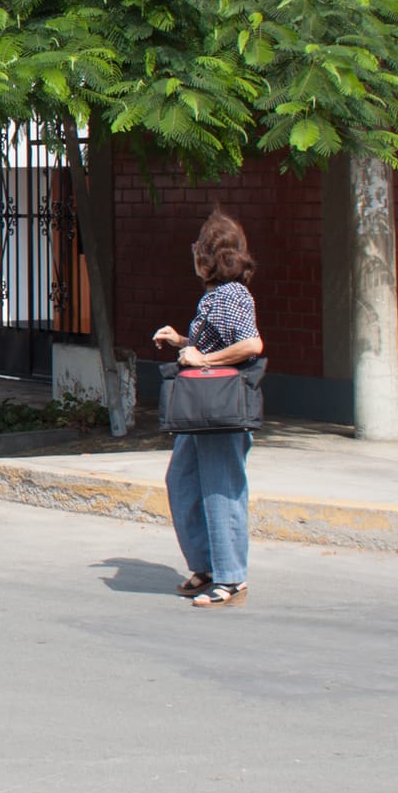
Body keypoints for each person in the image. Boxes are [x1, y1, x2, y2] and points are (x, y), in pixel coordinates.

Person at [152, 210, 265, 610]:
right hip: (201, 410)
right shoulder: (215, 296)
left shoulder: (233, 294)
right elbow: (214, 345)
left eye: (198, 247)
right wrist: (182, 340)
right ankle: (207, 566)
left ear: (209, 256)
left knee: (221, 490)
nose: (193, 254)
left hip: (220, 410)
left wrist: (203, 360)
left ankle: (231, 578)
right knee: (181, 481)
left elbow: (251, 345)